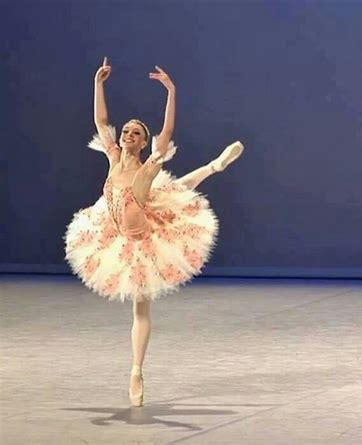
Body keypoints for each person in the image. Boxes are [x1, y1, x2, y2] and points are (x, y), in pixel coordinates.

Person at [64, 57, 244, 407]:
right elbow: (101, 122)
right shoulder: (113, 158)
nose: (128, 134)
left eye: (136, 133)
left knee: (141, 308)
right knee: (174, 193)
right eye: (126, 131)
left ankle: (136, 370)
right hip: (112, 234)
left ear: (143, 142)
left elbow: (166, 138)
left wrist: (171, 92)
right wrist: (98, 84)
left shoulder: (148, 168)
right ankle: (212, 166)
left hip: (144, 241)